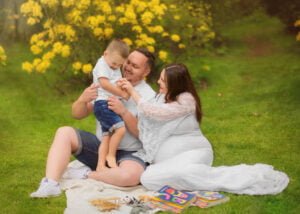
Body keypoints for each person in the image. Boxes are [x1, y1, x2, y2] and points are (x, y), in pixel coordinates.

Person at [120, 63, 289, 195]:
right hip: (171, 159)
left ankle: (219, 177)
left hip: (195, 153)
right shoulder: (164, 97)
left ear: (176, 84)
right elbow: (148, 114)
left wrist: (133, 92)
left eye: (163, 80)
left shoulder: (186, 100)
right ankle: (190, 176)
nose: (158, 82)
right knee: (149, 179)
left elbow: (154, 112)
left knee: (154, 178)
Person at [30, 48, 156, 198]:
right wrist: (83, 99)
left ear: (146, 72)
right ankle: (50, 184)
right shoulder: (109, 82)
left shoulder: (149, 96)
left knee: (130, 177)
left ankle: (86, 174)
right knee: (64, 132)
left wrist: (124, 112)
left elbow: (144, 135)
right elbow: (76, 114)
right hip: (100, 149)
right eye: (128, 62)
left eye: (135, 66)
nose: (128, 68)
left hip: (130, 154)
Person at [92, 39, 130, 170]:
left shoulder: (113, 65)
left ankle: (100, 165)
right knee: (121, 129)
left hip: (106, 104)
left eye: (119, 65)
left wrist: (120, 83)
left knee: (106, 136)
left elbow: (114, 81)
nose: (115, 66)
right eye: (114, 63)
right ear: (105, 53)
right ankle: (111, 156)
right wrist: (122, 93)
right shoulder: (102, 64)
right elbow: (105, 84)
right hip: (103, 104)